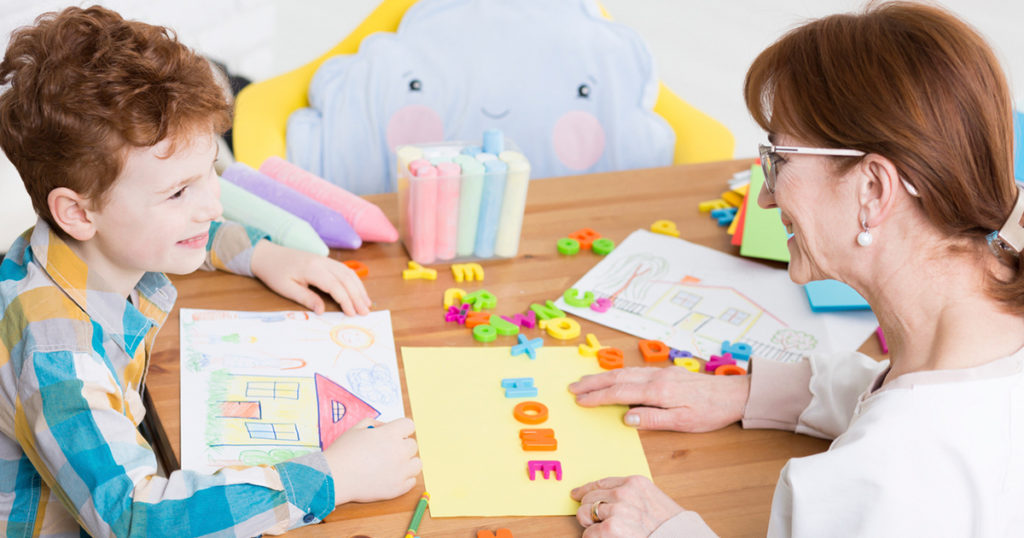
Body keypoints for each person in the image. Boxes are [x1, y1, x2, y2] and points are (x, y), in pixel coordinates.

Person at [568, 2, 1024, 536]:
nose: (763, 196)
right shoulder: (981, 336)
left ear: (873, 189)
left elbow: (912, 450)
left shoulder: (880, 476)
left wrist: (664, 529)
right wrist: (745, 393)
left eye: (778, 159)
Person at [0, 6, 420, 536]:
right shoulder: (55, 350)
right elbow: (135, 519)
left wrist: (260, 253)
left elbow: (164, 229)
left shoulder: (90, 248)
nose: (212, 207)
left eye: (209, 175)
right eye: (179, 192)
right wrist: (335, 474)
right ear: (78, 213)